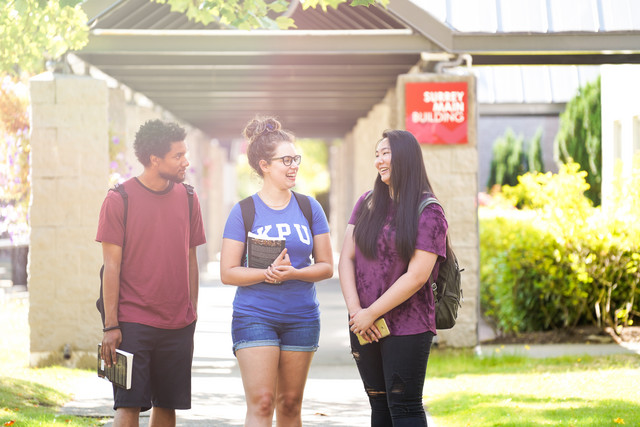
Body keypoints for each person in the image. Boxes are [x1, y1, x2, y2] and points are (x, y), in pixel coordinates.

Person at [220, 116, 333, 427]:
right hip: (255, 316)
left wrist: (292, 273)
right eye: (286, 159)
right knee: (262, 403)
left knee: (290, 404)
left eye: (295, 158)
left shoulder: (310, 208)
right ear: (264, 165)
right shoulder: (243, 211)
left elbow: (326, 266)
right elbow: (228, 272)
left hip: (302, 317)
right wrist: (266, 273)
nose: (293, 165)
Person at [96, 119, 206, 427]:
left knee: (167, 405)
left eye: (186, 153)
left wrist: (191, 312)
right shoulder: (119, 199)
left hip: (178, 323)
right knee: (128, 406)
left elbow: (190, 257)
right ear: (155, 159)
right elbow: (111, 267)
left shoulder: (188, 197)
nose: (186, 161)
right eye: (178, 155)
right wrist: (111, 326)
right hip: (132, 323)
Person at [338, 129, 448, 426]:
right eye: (377, 154)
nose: (379, 161)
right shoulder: (367, 202)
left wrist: (370, 313)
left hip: (407, 326)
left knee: (404, 406)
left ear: (405, 158)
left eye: (385, 153)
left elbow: (417, 276)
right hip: (362, 323)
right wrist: (356, 313)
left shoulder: (428, 211)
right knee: (379, 406)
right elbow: (346, 259)